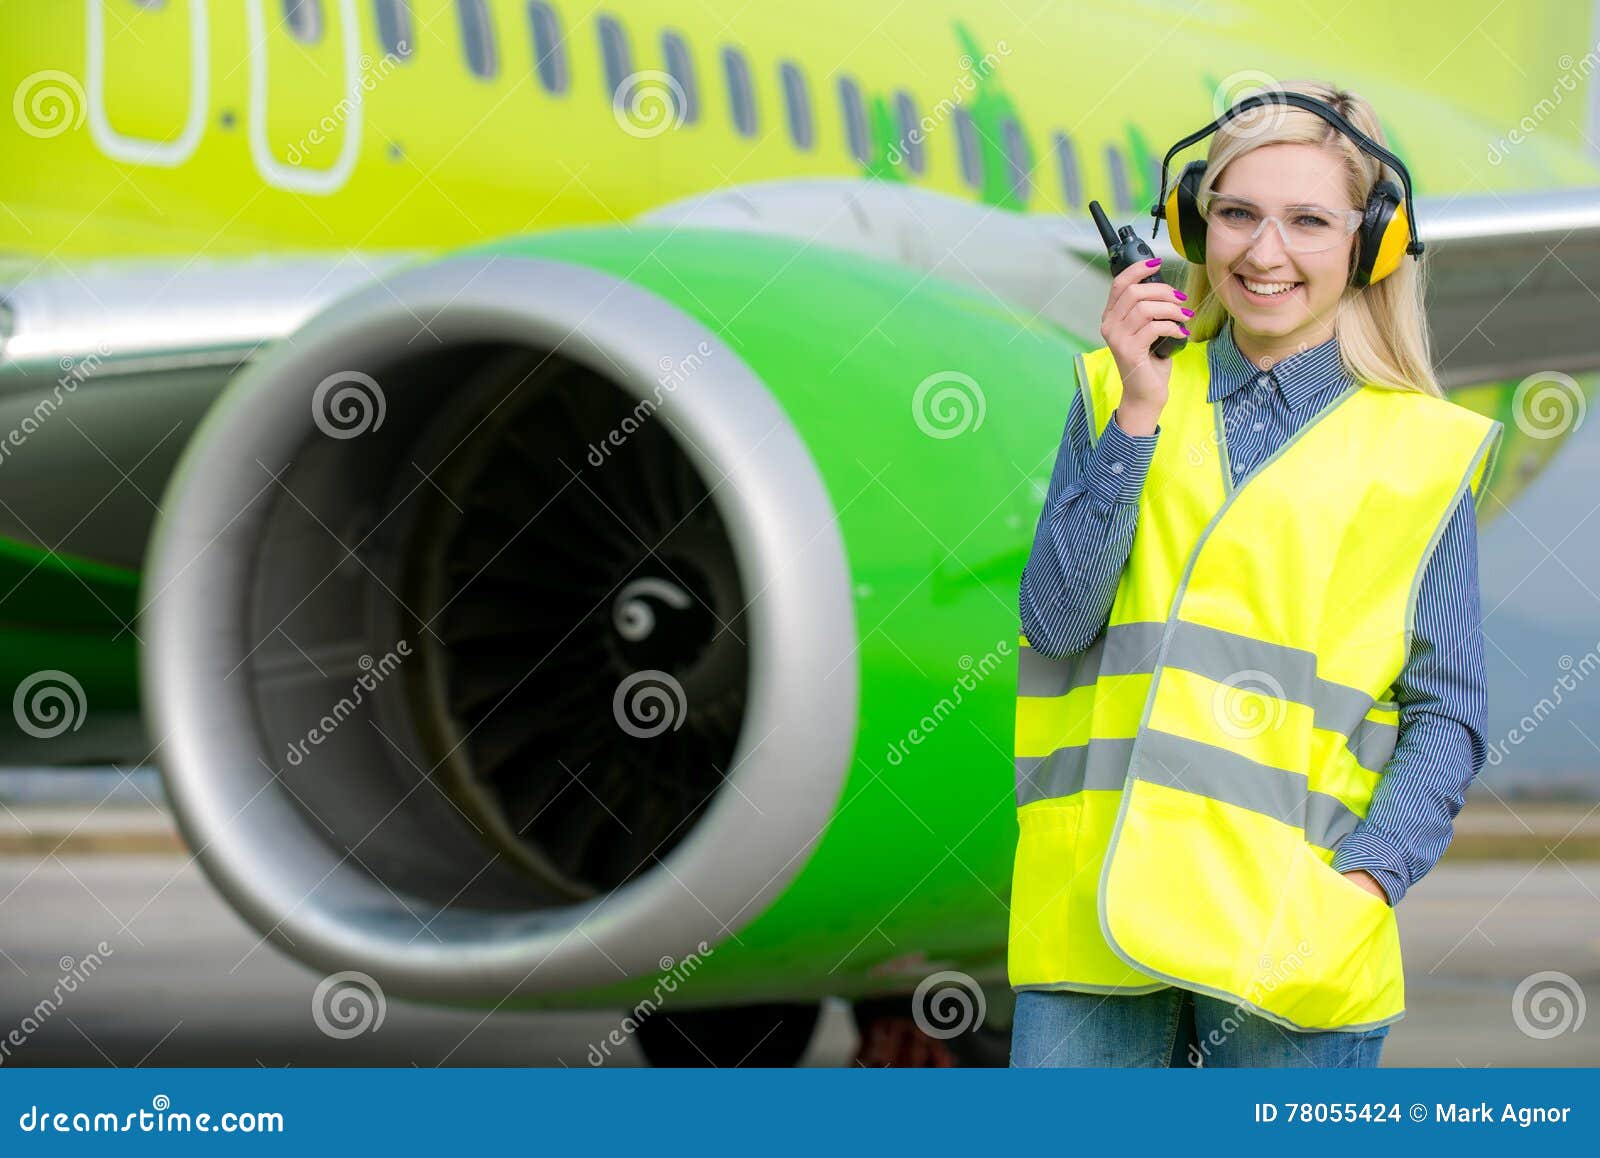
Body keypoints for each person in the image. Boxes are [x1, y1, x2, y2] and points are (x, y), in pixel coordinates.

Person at [1008, 81, 1503, 1068]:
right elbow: (1058, 623)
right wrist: (1137, 415)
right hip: (1089, 930)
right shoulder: (1116, 391)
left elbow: (1448, 712)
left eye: (1307, 222)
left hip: (1289, 936)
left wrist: (1361, 885)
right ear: (1194, 225)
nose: (1262, 254)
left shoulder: (1421, 450)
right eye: (1235, 214)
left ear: (1367, 248)